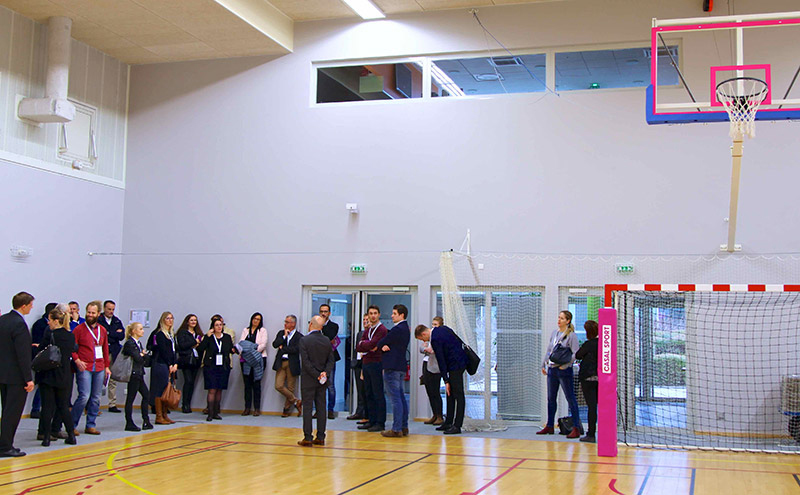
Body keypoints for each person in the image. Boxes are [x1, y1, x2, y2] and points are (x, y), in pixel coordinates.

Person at [0, 292, 36, 457]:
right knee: (13, 412)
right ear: (24, 305)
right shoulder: (19, 324)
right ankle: (6, 445)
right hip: (16, 377)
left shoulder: (3, 320)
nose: (32, 307)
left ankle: (4, 443)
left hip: (3, 374)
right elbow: (23, 354)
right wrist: (28, 378)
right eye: (30, 305)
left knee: (6, 409)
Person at [36, 306, 78, 447]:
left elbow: (42, 350)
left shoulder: (50, 334)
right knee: (63, 407)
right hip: (64, 374)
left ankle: (46, 437)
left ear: (55, 321)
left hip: (49, 373)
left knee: (47, 407)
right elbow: (73, 349)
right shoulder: (70, 335)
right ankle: (71, 435)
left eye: (50, 320)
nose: (48, 323)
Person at [416, 322, 468, 435]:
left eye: (422, 339)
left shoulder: (434, 339)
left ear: (424, 334)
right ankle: (449, 422)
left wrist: (446, 380)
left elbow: (441, 360)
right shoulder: (443, 329)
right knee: (450, 394)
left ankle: (457, 425)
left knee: (458, 394)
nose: (424, 342)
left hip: (456, 365)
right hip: (458, 362)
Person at [538, 310, 583, 439]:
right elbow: (549, 350)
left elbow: (576, 353)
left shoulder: (571, 335)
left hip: (564, 371)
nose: (559, 320)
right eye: (559, 318)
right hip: (552, 369)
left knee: (570, 398)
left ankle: (576, 427)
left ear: (567, 321)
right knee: (551, 398)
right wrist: (543, 364)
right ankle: (550, 425)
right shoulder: (554, 333)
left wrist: (567, 365)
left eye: (562, 318)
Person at [71, 300, 111, 436]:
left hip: (99, 366)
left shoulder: (102, 330)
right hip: (85, 366)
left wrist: (107, 366)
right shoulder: (79, 329)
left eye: (93, 313)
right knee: (84, 396)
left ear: (98, 314)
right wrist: (77, 360)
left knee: (96, 397)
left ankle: (91, 424)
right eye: (88, 312)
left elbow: (105, 349)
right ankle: (72, 424)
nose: (90, 315)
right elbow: (72, 347)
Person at [298, 316, 334, 447]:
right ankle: (321, 436)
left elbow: (305, 362)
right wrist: (325, 373)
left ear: (310, 325)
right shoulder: (326, 340)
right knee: (321, 408)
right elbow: (331, 360)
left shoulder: (304, 340)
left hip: (309, 379)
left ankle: (307, 437)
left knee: (307, 408)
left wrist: (316, 374)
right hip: (322, 381)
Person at [377, 304, 411, 438]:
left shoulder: (398, 329)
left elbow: (381, 342)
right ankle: (403, 426)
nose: (391, 316)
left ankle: (397, 428)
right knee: (401, 397)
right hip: (400, 365)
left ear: (401, 315)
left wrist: (383, 344)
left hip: (392, 366)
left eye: (394, 313)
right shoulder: (405, 329)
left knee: (395, 399)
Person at [196, 316, 237, 421]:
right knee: (212, 389)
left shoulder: (227, 337)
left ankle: (216, 412)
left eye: (220, 325)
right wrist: (207, 336)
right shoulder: (209, 337)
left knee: (219, 389)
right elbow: (201, 348)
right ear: (213, 327)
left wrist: (234, 350)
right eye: (217, 325)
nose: (219, 327)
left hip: (223, 366)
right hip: (211, 366)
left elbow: (229, 349)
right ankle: (209, 413)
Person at [355, 305, 388, 432]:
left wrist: (366, 345)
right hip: (366, 362)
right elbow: (359, 345)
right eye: (370, 313)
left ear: (379, 314)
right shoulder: (368, 329)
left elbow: (374, 344)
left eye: (375, 313)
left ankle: (380, 422)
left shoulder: (382, 329)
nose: (373, 315)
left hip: (376, 362)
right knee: (368, 392)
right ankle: (371, 419)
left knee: (377, 393)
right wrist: (366, 346)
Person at [122, 322, 154, 432]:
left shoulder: (138, 343)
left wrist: (143, 355)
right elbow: (138, 358)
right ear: (134, 331)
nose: (142, 331)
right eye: (140, 329)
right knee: (131, 398)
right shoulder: (130, 343)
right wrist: (142, 355)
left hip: (139, 373)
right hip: (133, 374)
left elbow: (144, 360)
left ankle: (146, 420)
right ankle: (129, 422)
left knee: (146, 395)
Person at [148, 312, 178, 425]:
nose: (170, 320)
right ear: (163, 320)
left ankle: (165, 414)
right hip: (160, 364)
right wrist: (170, 363)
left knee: (167, 389)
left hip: (169, 364)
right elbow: (163, 351)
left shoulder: (171, 334)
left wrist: (175, 363)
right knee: (160, 390)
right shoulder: (160, 334)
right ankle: (159, 415)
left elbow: (174, 351)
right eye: (167, 318)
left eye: (172, 318)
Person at [29, 302, 58, 420]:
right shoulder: (40, 325)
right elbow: (36, 344)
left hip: (50, 357)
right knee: (42, 384)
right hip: (41, 358)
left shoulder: (53, 327)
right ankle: (35, 408)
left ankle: (43, 408)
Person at [272, 314, 302, 417]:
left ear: (293, 324)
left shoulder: (299, 336)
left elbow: (296, 349)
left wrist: (283, 348)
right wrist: (284, 337)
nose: (285, 324)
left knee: (290, 387)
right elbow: (275, 344)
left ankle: (286, 409)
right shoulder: (281, 333)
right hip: (281, 362)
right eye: (285, 322)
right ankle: (296, 401)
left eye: (287, 322)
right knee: (279, 385)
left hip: (292, 363)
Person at [239, 312, 268, 416]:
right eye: (254, 318)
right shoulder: (245, 330)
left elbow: (262, 345)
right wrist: (250, 349)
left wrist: (251, 350)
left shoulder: (262, 331)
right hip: (246, 360)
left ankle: (257, 408)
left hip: (258, 359)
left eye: (258, 319)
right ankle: (247, 407)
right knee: (247, 384)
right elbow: (242, 344)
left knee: (256, 384)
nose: (256, 321)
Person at [576, 320, 599, 443]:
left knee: (591, 407)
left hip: (588, 379)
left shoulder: (588, 344)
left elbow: (578, 355)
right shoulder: (602, 344)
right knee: (598, 406)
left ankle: (591, 434)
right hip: (601, 379)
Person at [175, 314, 203, 413]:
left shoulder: (198, 333)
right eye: (191, 320)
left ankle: (189, 403)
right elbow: (182, 345)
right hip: (186, 360)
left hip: (196, 360)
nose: (193, 322)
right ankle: (184, 404)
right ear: (187, 322)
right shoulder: (182, 333)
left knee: (192, 383)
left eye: (195, 320)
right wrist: (194, 342)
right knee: (188, 381)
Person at [102, 300, 125, 413]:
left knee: (113, 379)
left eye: (112, 309)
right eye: (109, 309)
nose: (111, 311)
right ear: (104, 308)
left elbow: (121, 335)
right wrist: (113, 333)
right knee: (99, 377)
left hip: (115, 352)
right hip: (102, 352)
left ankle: (112, 404)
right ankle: (93, 404)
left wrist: (109, 333)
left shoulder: (116, 321)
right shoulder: (99, 320)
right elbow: (102, 335)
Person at [420, 316, 444, 426]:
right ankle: (434, 414)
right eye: (432, 324)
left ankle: (439, 416)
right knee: (429, 391)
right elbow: (422, 348)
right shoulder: (428, 336)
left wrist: (430, 350)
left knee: (435, 391)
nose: (433, 327)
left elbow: (435, 351)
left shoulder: (439, 337)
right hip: (426, 363)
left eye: (436, 325)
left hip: (435, 366)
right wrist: (425, 348)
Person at [319, 304, 341, 420]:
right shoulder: (315, 325)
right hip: (318, 359)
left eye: (326, 311)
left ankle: (330, 410)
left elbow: (329, 338)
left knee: (330, 385)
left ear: (329, 313)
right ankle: (319, 410)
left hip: (330, 359)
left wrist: (321, 326)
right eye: (322, 311)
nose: (323, 313)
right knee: (318, 385)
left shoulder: (333, 326)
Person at [347, 314, 369, 421]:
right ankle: (359, 411)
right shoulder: (359, 334)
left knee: (367, 390)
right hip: (358, 364)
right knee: (359, 390)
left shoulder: (374, 334)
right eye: (364, 319)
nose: (365, 321)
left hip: (367, 364)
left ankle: (367, 413)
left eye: (367, 320)